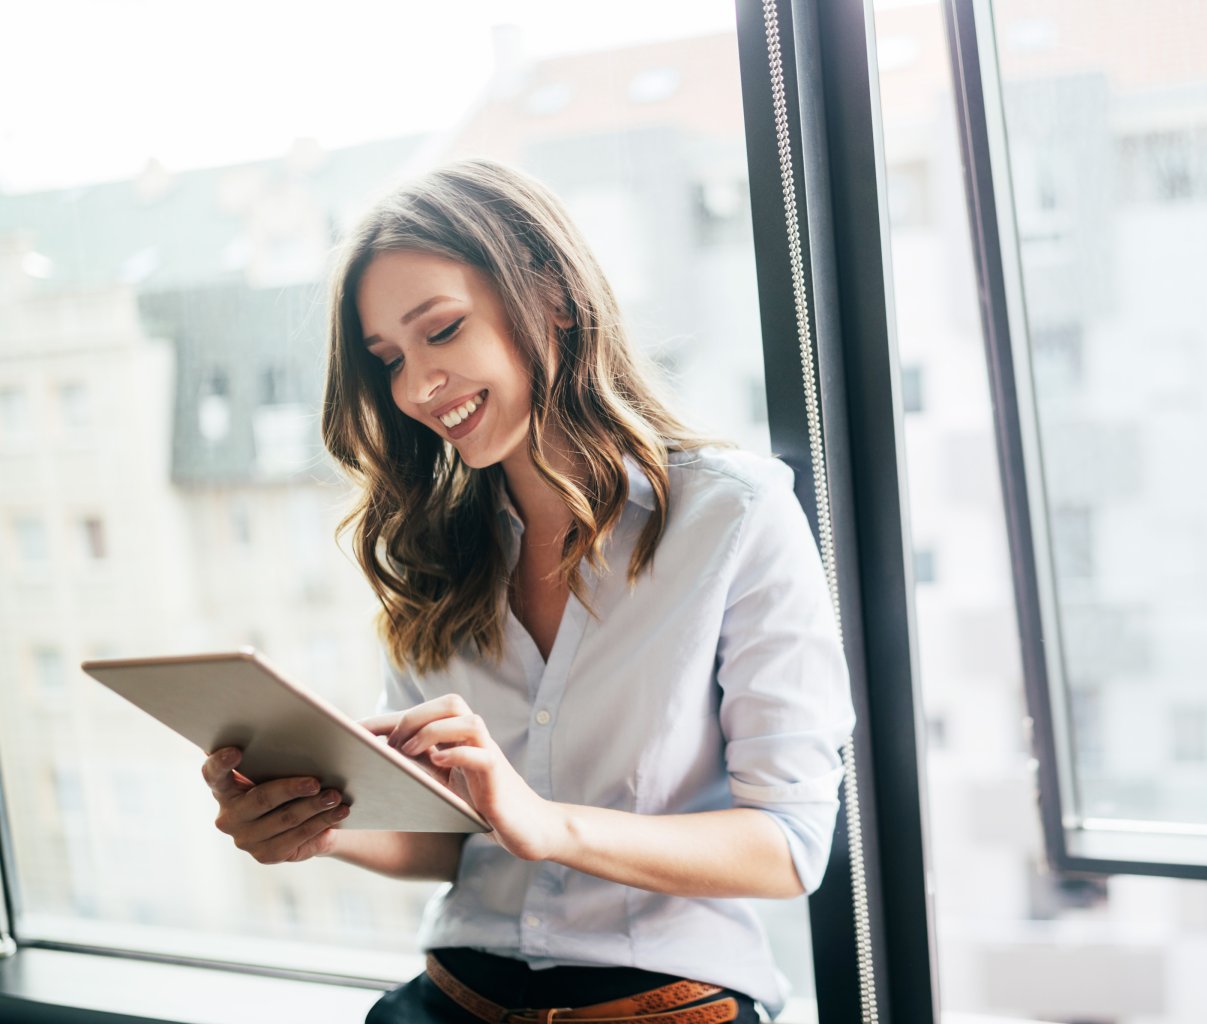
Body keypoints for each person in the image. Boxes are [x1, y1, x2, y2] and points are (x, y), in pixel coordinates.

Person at [196, 157, 856, 1023]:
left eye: (442, 330)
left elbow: (790, 845)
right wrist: (312, 828)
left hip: (665, 1001)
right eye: (389, 358)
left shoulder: (735, 516)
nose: (417, 387)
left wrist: (546, 822)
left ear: (551, 296)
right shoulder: (434, 549)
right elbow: (449, 842)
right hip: (448, 998)